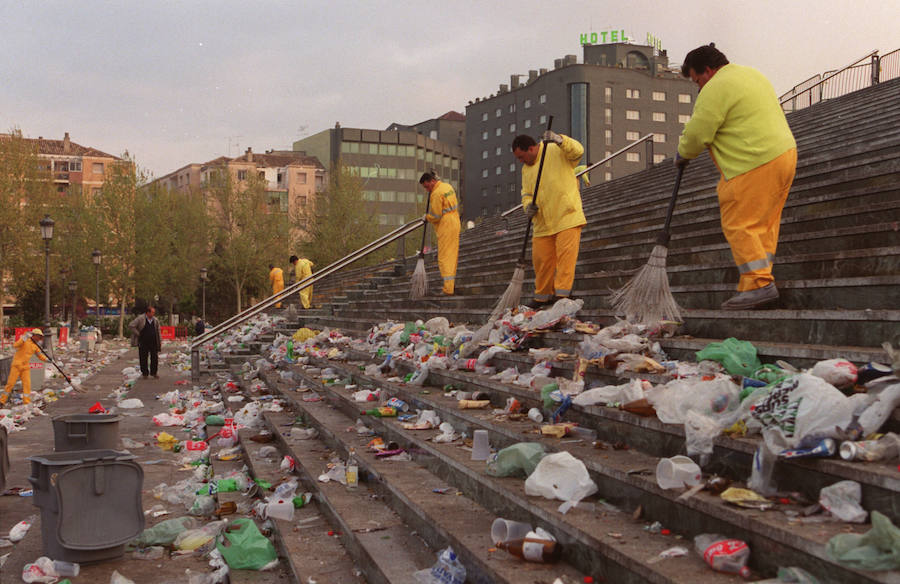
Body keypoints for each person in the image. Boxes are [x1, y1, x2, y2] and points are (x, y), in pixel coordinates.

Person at [676, 43, 797, 310]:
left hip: (751, 161)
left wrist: (683, 152)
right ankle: (756, 283)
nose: (698, 87)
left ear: (707, 70)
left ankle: (758, 285)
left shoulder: (716, 86)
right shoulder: (752, 75)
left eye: (697, 80)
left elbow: (699, 132)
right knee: (762, 226)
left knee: (739, 223)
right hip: (783, 155)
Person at [511, 131, 586, 306]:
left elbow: (578, 152)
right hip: (542, 222)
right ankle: (542, 296)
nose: (521, 161)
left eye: (522, 157)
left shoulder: (555, 150)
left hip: (566, 216)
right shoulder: (526, 169)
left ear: (530, 149)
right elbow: (526, 193)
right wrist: (527, 206)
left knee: (565, 259)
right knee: (541, 261)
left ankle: (562, 295)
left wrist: (561, 140)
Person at [419, 171, 461, 295]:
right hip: (455, 220)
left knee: (444, 257)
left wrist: (427, 217)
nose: (427, 190)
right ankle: (451, 285)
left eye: (427, 186)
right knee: (452, 254)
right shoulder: (447, 186)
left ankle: (448, 288)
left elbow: (436, 215)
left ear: (432, 181)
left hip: (446, 224)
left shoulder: (436, 193)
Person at [0, 329, 48, 406]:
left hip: (25, 367)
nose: (40, 339)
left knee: (27, 384)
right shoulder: (25, 340)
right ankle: (2, 401)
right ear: (34, 335)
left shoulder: (35, 346)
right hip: (16, 365)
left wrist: (47, 360)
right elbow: (15, 345)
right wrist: (23, 338)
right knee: (10, 384)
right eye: (39, 336)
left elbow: (40, 355)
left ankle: (26, 402)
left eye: (41, 337)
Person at [129, 306, 162, 379]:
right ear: (148, 312)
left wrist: (160, 340)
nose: (153, 314)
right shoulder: (141, 318)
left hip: (153, 341)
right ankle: (145, 373)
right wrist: (138, 333)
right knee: (143, 357)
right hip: (143, 341)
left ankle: (154, 372)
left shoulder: (155, 320)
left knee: (154, 357)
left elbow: (158, 331)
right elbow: (131, 325)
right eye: (152, 312)